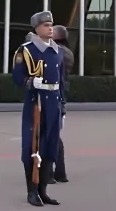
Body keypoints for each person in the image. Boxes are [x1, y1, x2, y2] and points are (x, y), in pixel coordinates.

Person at [12, 11, 64, 207]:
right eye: (46, 25)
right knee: (32, 147)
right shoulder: (26, 50)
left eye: (51, 25)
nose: (50, 28)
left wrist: (63, 107)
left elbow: (62, 81)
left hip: (53, 104)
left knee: (50, 147)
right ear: (36, 28)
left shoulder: (57, 51)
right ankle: (31, 191)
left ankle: (43, 191)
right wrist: (32, 82)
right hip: (36, 104)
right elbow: (17, 78)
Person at [49, 24, 73, 184]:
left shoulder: (60, 53)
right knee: (54, 137)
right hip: (59, 98)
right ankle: (60, 172)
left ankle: (49, 173)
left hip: (52, 97)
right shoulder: (67, 52)